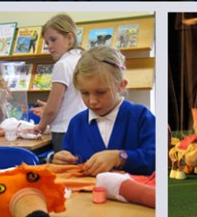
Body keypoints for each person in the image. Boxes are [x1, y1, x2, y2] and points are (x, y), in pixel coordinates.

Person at [53, 46, 155, 175]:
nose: (92, 101)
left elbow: (155, 158)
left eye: (100, 92)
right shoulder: (76, 123)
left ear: (121, 85)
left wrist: (120, 157)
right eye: (84, 93)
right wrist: (62, 160)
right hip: (87, 194)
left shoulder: (141, 117)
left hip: (134, 194)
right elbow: (70, 162)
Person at [31, 14, 86, 152]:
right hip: (83, 128)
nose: (49, 47)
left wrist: (41, 126)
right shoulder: (83, 59)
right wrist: (49, 106)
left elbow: (52, 109)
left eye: (53, 40)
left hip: (64, 131)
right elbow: (71, 99)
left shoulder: (62, 65)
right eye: (47, 43)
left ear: (69, 38)